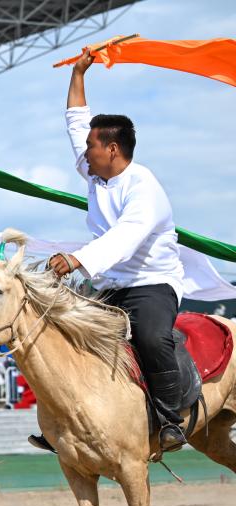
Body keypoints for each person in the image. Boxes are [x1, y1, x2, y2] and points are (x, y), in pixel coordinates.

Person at [31, 48, 186, 453]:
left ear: (112, 149)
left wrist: (75, 259)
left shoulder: (144, 187)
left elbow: (125, 237)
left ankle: (170, 420)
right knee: (64, 330)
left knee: (152, 337)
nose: (84, 151)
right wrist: (79, 73)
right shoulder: (95, 173)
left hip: (152, 283)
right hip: (110, 284)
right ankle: (65, 423)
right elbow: (76, 122)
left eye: (92, 146)